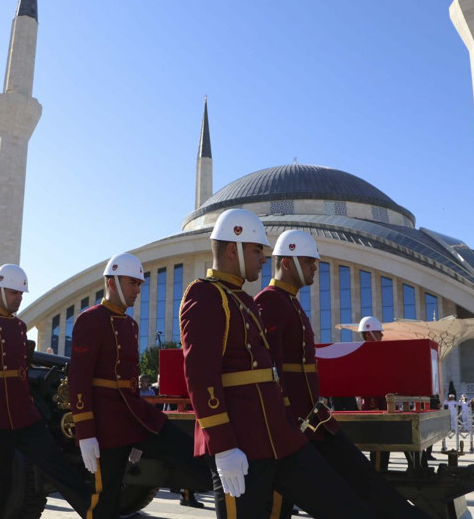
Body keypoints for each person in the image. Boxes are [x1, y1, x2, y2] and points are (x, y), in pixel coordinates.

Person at [180, 208, 377, 518]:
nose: (264, 257)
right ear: (233, 249)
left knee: (347, 506)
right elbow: (200, 374)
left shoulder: (243, 300)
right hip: (240, 444)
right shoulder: (204, 295)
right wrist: (222, 444)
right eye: (258, 249)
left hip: (278, 438)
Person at [256, 229, 427, 519]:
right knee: (342, 503)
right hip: (292, 429)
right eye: (310, 261)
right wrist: (286, 425)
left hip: (313, 421)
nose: (315, 267)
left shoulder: (291, 303)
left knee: (368, 482)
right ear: (287, 263)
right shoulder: (269, 302)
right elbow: (270, 373)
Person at [69, 253, 210, 518]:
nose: (138, 289)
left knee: (187, 451)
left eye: (140, 284)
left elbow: (130, 384)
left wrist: (136, 434)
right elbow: (79, 379)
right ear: (112, 283)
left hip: (134, 417)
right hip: (105, 424)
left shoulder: (131, 325)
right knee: (106, 497)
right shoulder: (90, 320)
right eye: (132, 282)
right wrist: (85, 432)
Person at [0, 264, 91, 519]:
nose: (19, 298)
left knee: (58, 468)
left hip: (24, 415)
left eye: (21, 294)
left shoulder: (19, 326)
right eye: (14, 293)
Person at [356, 315, 390, 471]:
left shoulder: (379, 353)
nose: (382, 335)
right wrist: (375, 409)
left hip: (384, 409)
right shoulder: (365, 354)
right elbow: (368, 385)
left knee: (384, 453)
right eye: (379, 332)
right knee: (377, 456)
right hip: (375, 411)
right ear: (369, 333)